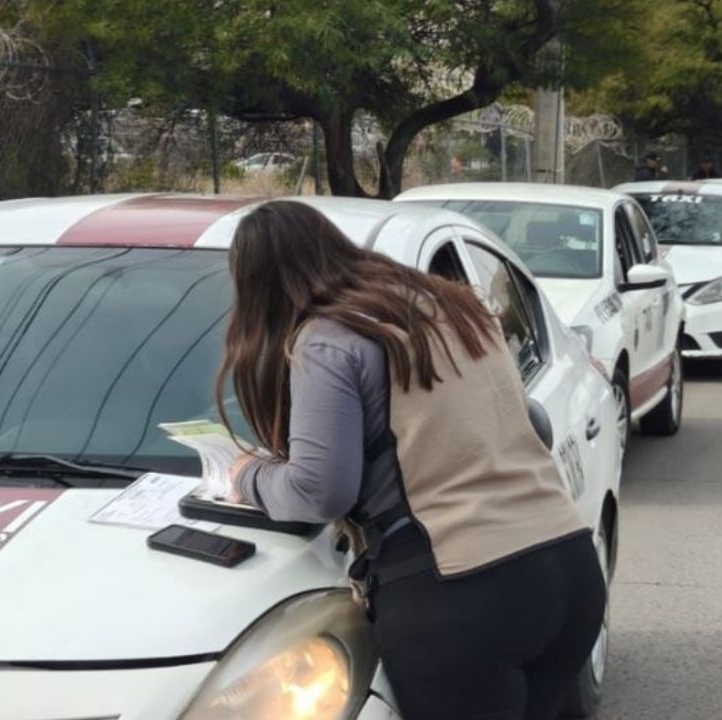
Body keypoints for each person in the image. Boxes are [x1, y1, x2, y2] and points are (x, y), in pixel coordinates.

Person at [219, 201, 605, 720]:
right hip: (569, 567)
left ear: (258, 287)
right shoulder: (457, 308)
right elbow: (523, 422)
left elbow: (319, 491)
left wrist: (248, 474)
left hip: (462, 593)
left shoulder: (327, 341)